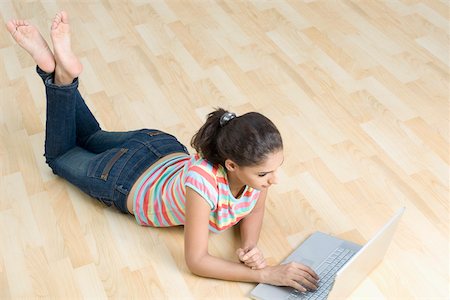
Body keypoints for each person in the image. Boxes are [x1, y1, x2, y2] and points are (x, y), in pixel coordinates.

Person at [6, 11, 319, 292]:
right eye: (265, 174)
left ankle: (59, 73)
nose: (273, 180)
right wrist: (266, 275)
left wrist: (250, 247)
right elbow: (196, 260)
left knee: (91, 136)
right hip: (123, 178)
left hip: (159, 146)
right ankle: (60, 78)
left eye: (275, 169)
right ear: (231, 165)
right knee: (60, 156)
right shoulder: (204, 184)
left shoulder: (255, 171)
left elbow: (255, 208)